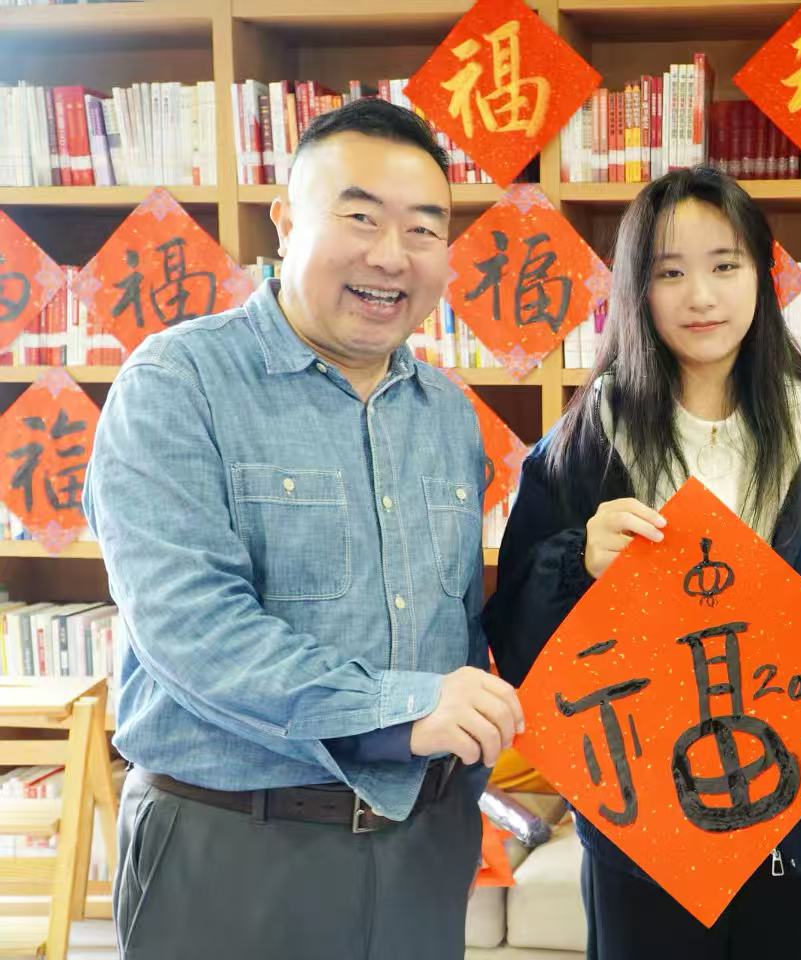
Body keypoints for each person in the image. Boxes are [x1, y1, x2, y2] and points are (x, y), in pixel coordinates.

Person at [83, 98, 525, 960]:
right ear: (285, 223)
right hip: (234, 846)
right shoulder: (177, 382)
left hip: (422, 847)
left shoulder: (447, 412)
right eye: (359, 217)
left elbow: (459, 626)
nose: (390, 255)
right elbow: (191, 628)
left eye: (423, 229)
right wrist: (403, 709)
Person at [482, 165, 801, 960]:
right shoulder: (590, 440)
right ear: (636, 291)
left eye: (725, 265)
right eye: (669, 273)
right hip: (637, 830)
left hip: (788, 812)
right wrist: (578, 562)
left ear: (762, 277)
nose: (701, 296)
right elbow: (520, 642)